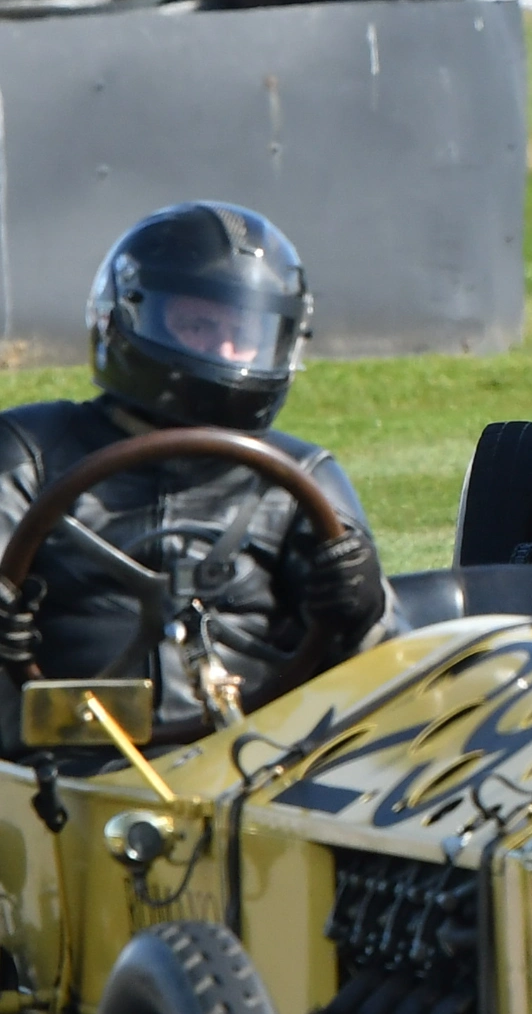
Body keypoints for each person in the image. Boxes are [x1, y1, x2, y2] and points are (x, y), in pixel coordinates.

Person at [0, 202, 394, 733]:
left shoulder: (302, 476)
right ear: (127, 318)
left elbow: (386, 661)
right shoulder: (29, 451)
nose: (227, 351)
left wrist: (361, 604)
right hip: (59, 765)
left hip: (248, 766)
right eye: (199, 326)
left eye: (244, 331)